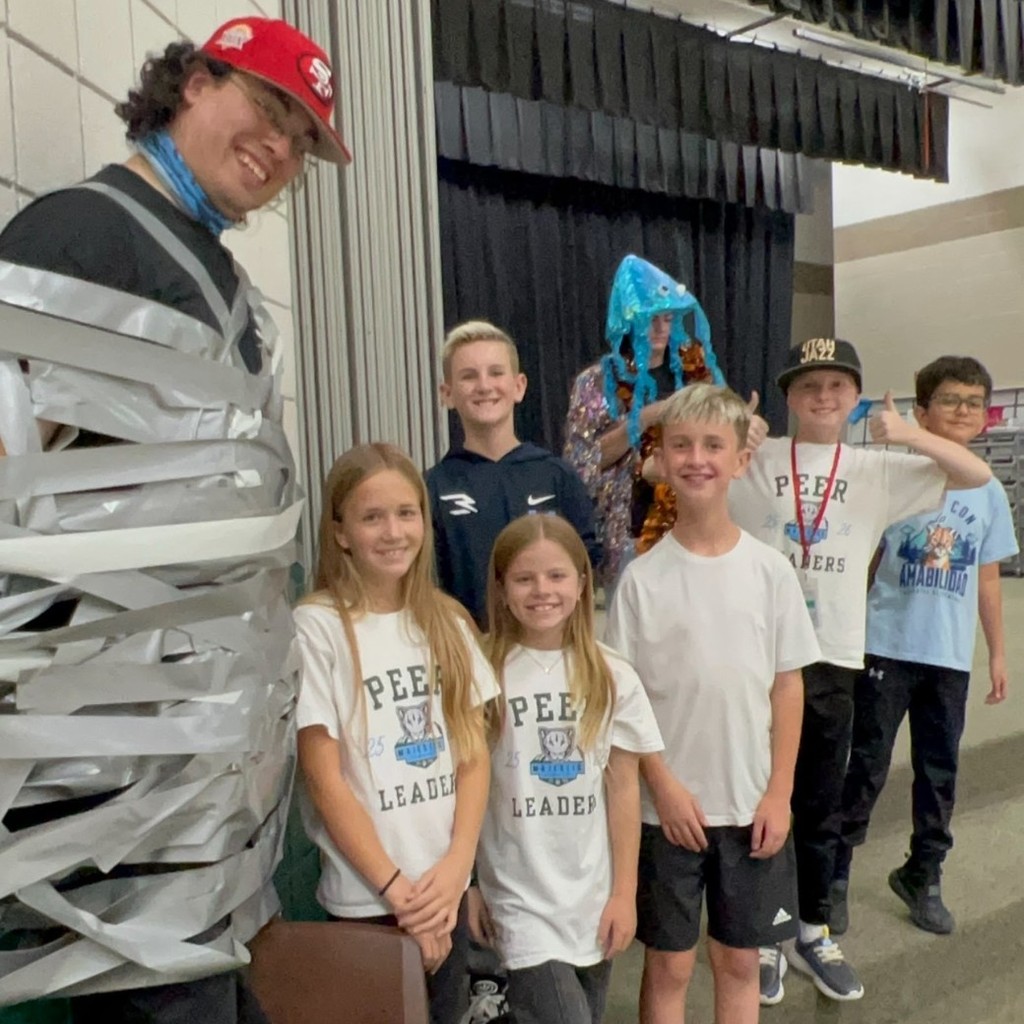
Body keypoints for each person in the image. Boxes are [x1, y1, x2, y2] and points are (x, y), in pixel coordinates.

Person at [0, 15, 349, 1020]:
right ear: (192, 83)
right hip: (113, 776)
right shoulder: (81, 234)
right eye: (266, 107)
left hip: (204, 772)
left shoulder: (228, 284)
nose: (281, 147)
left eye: (302, 139)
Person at [728, 338, 993, 1004]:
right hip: (757, 658)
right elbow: (659, 465)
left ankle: (812, 929)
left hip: (834, 656)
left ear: (855, 397)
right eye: (809, 385)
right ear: (788, 395)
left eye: (837, 386)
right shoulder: (752, 457)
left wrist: (907, 433)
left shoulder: (877, 467)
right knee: (759, 802)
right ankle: (765, 934)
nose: (823, 397)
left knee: (818, 802)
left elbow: (975, 477)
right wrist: (733, 429)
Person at [606, 383, 821, 1024]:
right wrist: (663, 786)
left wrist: (779, 792)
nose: (697, 458)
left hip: (748, 804)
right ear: (663, 460)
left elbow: (788, 685)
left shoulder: (770, 572)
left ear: (738, 459)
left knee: (739, 960)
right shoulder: (641, 580)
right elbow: (625, 700)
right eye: (682, 446)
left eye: (712, 445)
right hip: (665, 809)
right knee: (669, 964)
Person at [294, 443, 499, 1024]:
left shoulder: (447, 621)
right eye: (371, 516)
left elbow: (472, 756)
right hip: (370, 899)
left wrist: (458, 867)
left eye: (406, 513)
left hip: (444, 890)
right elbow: (323, 776)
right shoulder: (318, 627)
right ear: (340, 533)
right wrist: (399, 896)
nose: (393, 531)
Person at [832, 356, 1017, 936]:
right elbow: (864, 561)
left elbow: (987, 577)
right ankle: (835, 872)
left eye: (973, 403)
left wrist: (997, 653)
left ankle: (924, 872)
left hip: (947, 657)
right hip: (886, 646)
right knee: (867, 762)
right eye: (950, 400)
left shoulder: (987, 494)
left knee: (941, 770)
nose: (962, 411)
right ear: (922, 410)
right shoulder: (892, 475)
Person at [470, 514, 662, 1024]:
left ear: (582, 583)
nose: (542, 591)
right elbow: (461, 790)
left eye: (556, 576)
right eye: (524, 578)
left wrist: (624, 893)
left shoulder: (611, 674)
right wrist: (470, 883)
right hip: (518, 899)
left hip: (591, 900)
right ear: (502, 587)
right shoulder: (482, 672)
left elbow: (623, 790)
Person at [563, 255, 725, 593]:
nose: (661, 329)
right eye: (651, 318)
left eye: (667, 318)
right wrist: (646, 418)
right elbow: (580, 466)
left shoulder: (697, 377)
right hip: (628, 540)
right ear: (628, 319)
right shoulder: (597, 382)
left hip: (694, 532)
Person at [426, 320, 599, 631]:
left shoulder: (557, 477)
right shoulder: (434, 488)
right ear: (447, 394)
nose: (484, 386)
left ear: (519, 386)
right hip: (470, 656)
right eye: (468, 376)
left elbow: (586, 567)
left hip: (551, 652)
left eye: (495, 373)